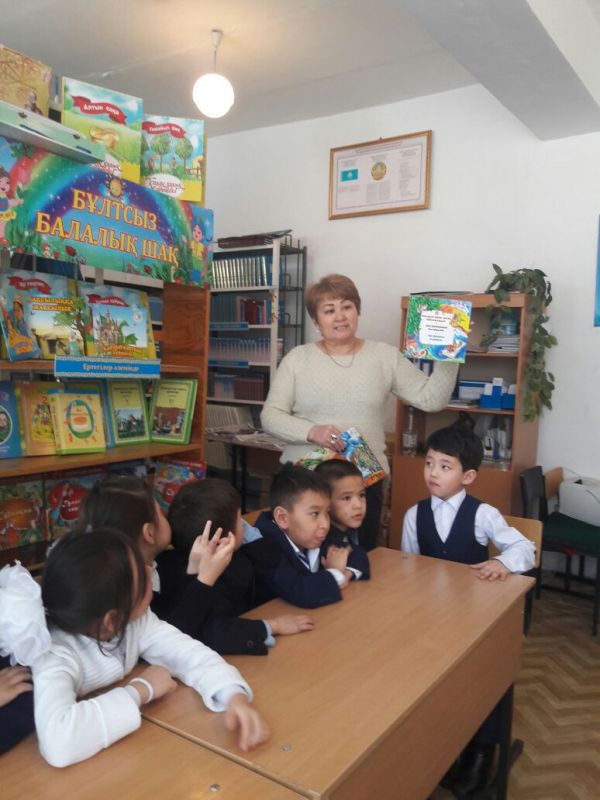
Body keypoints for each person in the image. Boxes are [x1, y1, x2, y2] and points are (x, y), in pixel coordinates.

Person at [0, 528, 269, 768]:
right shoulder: (54, 655)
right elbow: (59, 742)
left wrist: (232, 695)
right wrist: (141, 690)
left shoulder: (135, 620)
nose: (151, 570)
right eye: (142, 575)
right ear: (112, 620)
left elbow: (187, 653)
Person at [261, 274, 458, 551]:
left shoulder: (384, 356)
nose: (340, 316)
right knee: (304, 563)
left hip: (363, 484)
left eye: (347, 306)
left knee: (360, 559)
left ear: (358, 311)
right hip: (306, 482)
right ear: (316, 321)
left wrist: (452, 351)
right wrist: (311, 431)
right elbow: (270, 416)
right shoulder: (297, 359)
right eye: (329, 310)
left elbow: (431, 400)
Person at [401, 418, 535, 797]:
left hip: (474, 618)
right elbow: (408, 569)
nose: (433, 473)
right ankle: (446, 744)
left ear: (469, 476)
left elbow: (525, 548)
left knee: (487, 672)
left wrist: (502, 562)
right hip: (432, 618)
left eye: (445, 466)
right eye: (429, 463)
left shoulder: (482, 514)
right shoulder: (414, 515)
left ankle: (481, 751)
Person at [159, 478, 315, 655]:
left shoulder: (170, 561)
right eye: (239, 519)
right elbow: (216, 630)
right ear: (223, 541)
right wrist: (274, 625)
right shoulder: (224, 574)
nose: (245, 525)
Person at [254, 464, 366, 608]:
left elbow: (356, 552)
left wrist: (346, 574)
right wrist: (335, 572)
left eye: (327, 512)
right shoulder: (264, 547)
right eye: (315, 514)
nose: (325, 524)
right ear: (282, 518)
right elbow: (302, 592)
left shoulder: (309, 536)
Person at [314, 459, 371, 577]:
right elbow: (357, 554)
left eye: (361, 495)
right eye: (346, 498)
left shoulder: (351, 526)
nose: (358, 505)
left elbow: (359, 553)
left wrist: (348, 573)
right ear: (325, 502)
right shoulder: (320, 538)